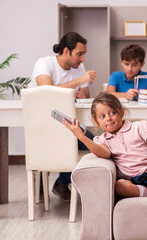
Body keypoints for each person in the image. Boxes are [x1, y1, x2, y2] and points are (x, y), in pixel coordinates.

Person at [63, 92, 147, 198]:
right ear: (96, 121)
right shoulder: (102, 140)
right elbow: (104, 153)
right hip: (131, 179)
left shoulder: (138, 127)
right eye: (102, 116)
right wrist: (81, 136)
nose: (109, 118)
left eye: (112, 113)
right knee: (119, 187)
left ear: (121, 112)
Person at [31, 32, 96, 202]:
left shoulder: (78, 68)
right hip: (41, 126)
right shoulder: (44, 63)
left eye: (84, 54)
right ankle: (45, 183)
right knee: (84, 141)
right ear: (66, 51)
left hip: (68, 124)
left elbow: (86, 94)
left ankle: (61, 182)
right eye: (79, 54)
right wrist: (78, 81)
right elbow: (46, 90)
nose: (82, 59)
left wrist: (82, 92)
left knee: (94, 144)